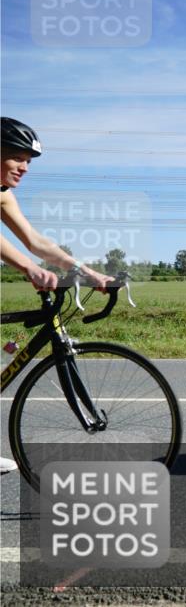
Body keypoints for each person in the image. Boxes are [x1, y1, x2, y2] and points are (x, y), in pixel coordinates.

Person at [1, 116, 114, 475]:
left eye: (29, 162)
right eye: (18, 157)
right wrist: (29, 268)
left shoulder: (3, 195)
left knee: (9, 347)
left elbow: (37, 242)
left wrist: (88, 272)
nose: (24, 168)